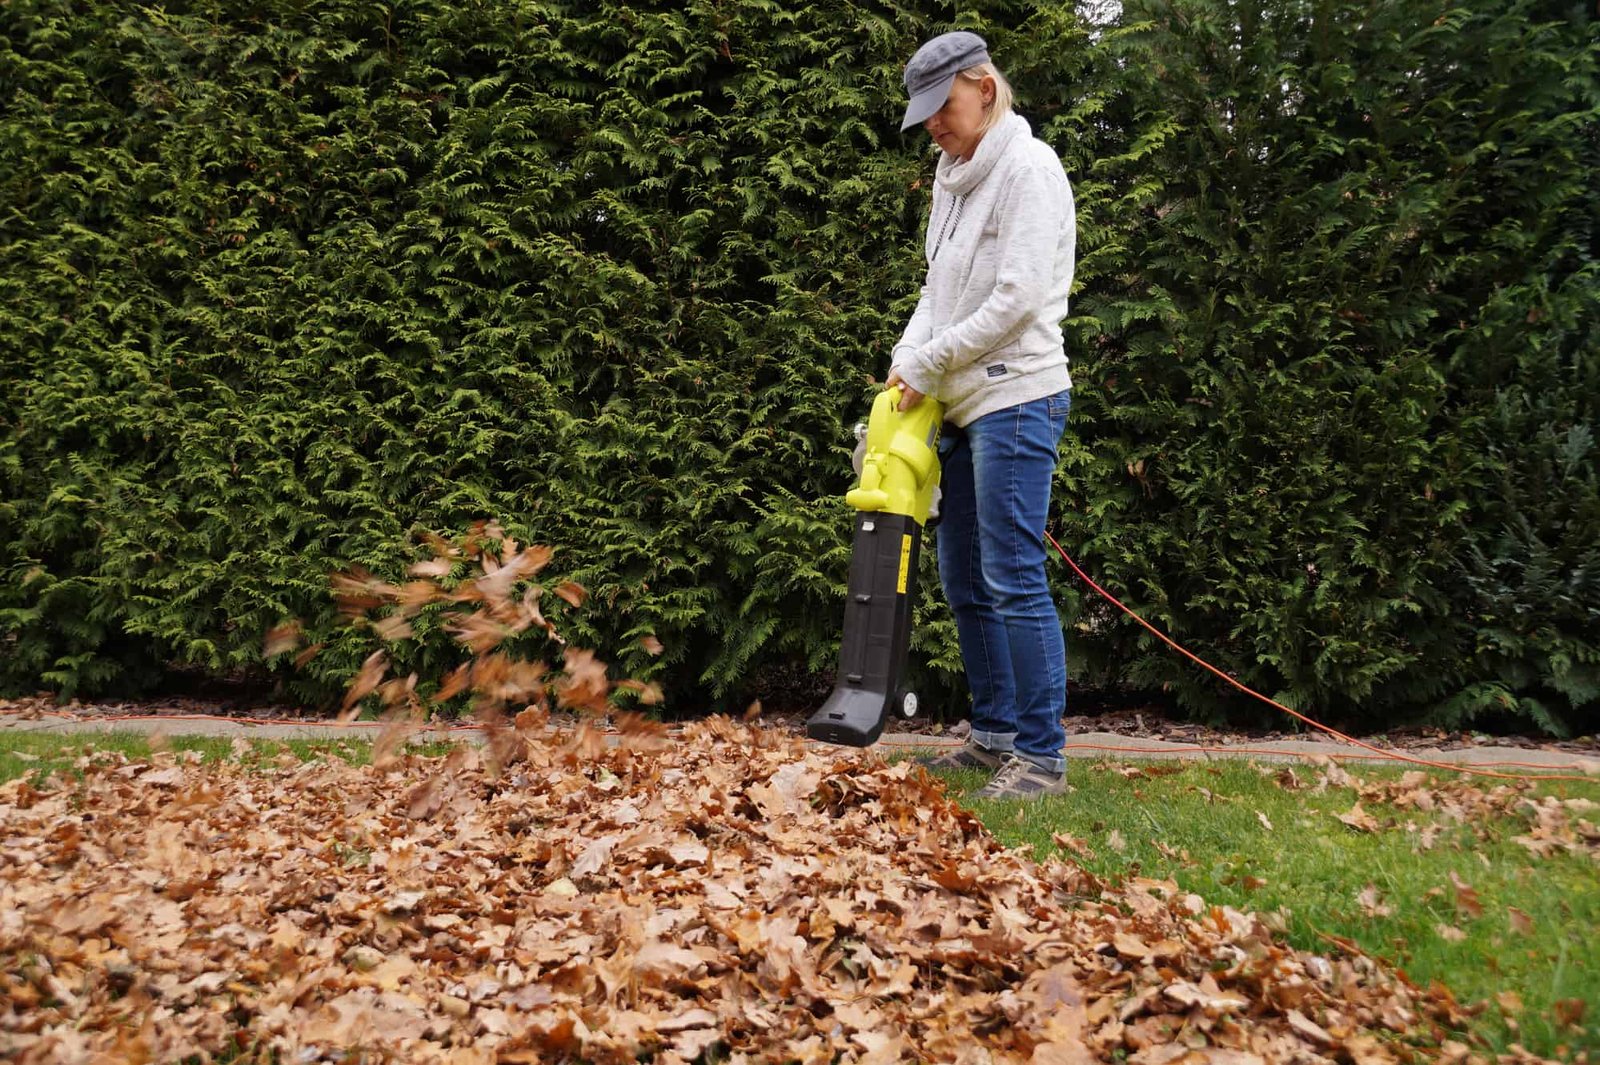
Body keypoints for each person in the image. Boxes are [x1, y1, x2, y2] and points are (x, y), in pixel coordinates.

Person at [888, 31, 1076, 800]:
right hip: (964, 403)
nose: (934, 123)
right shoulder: (952, 176)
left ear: (985, 89)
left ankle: (1042, 758)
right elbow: (939, 291)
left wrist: (931, 366)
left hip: (1018, 396)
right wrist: (908, 357)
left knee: (1012, 574)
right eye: (924, 112)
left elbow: (1018, 297)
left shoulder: (1029, 170)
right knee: (965, 577)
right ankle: (993, 734)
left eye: (945, 105)